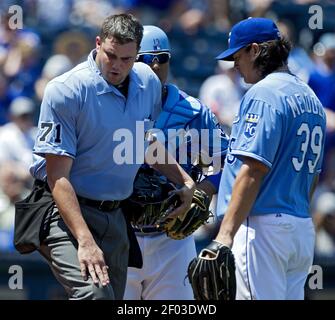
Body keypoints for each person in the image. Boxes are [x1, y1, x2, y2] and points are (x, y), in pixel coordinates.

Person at [25, 14, 195, 300]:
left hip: (115, 213)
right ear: (98, 43)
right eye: (111, 55)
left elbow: (142, 143)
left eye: (127, 59)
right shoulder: (66, 90)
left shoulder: (149, 83)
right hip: (64, 210)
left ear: (137, 55)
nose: (117, 66)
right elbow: (58, 176)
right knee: (95, 296)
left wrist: (184, 180)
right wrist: (85, 241)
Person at [212, 17, 326, 300]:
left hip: (262, 227)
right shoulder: (310, 97)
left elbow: (253, 170)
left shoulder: (263, 93)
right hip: (300, 225)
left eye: (237, 56)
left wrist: (224, 236)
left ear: (254, 50)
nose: (234, 65)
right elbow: (312, 178)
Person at [124, 25, 228, 300]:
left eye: (163, 58)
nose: (156, 65)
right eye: (147, 59)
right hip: (121, 232)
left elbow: (229, 162)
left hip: (171, 238)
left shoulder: (193, 111)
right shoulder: (112, 105)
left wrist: (199, 190)